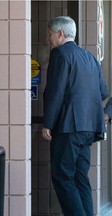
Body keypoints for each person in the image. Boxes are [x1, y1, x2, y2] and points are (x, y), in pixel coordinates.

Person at [42, 16, 109, 216]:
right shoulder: (90, 57)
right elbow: (103, 91)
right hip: (89, 128)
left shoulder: (60, 54)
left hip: (68, 127)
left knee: (62, 177)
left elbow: (56, 90)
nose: (49, 39)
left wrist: (48, 123)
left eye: (50, 35)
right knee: (80, 179)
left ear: (60, 34)